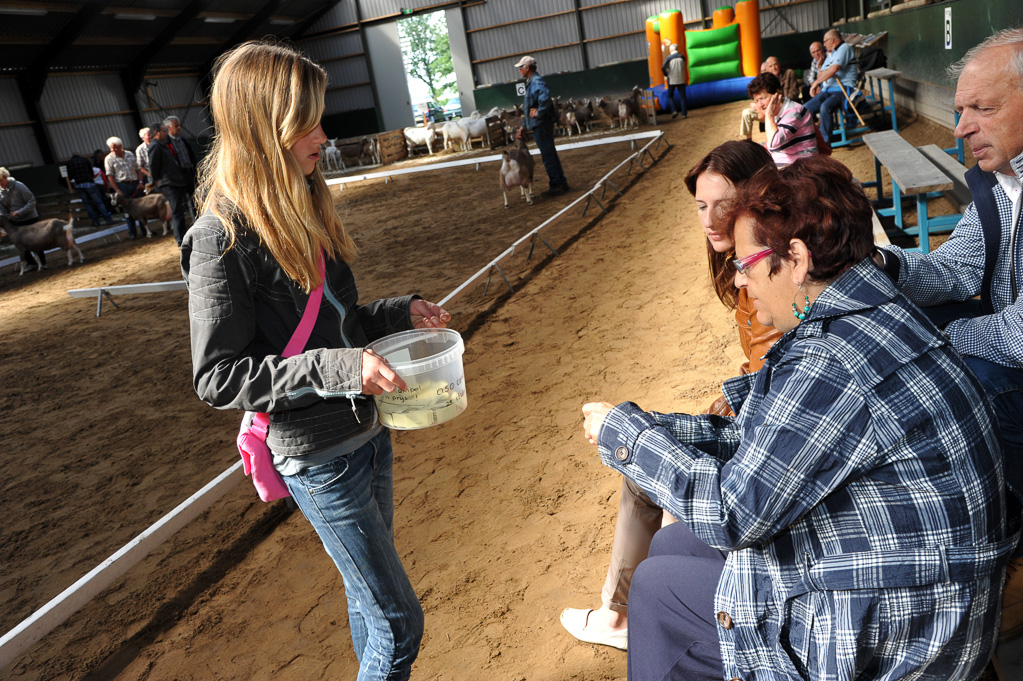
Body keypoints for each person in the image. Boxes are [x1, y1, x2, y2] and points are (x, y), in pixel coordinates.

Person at [580, 155, 1014, 681]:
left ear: (797, 259)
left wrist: (626, 438)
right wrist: (658, 427)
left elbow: (734, 512)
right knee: (672, 544)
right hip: (932, 586)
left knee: (657, 588)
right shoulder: (874, 310)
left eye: (746, 264)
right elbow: (765, 438)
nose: (740, 281)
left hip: (907, 634)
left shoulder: (831, 359)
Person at [182, 40, 451, 681]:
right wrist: (341, 370)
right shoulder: (220, 238)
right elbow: (219, 378)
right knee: (399, 623)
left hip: (368, 433)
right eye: (307, 121)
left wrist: (396, 313)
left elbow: (339, 324)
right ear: (263, 127)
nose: (322, 135)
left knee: (369, 604)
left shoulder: (305, 201)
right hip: (319, 457)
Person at [560, 141, 781, 651]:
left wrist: (741, 398)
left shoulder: (767, 269)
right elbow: (765, 364)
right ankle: (621, 608)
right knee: (648, 444)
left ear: (755, 198)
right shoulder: (742, 266)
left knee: (647, 459)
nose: (709, 219)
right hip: (756, 412)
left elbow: (782, 369)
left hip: (764, 440)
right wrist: (737, 390)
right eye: (701, 206)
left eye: (722, 204)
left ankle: (618, 615)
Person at [874, 27, 1023, 639]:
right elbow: (957, 267)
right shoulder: (999, 178)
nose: (959, 127)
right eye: (960, 109)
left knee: (945, 367)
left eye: (981, 109)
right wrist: (881, 266)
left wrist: (933, 343)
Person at [515, 55, 569, 197]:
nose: (519, 70)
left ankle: (556, 185)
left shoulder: (536, 82)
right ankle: (561, 182)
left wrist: (539, 111)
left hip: (542, 124)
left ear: (527, 68)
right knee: (550, 153)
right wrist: (524, 126)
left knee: (547, 155)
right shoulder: (532, 82)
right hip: (541, 123)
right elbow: (530, 108)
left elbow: (544, 98)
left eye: (521, 67)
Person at [746, 72, 818, 166]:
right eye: (756, 101)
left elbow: (774, 143)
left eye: (763, 98)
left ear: (777, 94)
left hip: (802, 167)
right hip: (787, 164)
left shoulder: (793, 111)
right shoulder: (778, 112)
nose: (760, 104)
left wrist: (768, 115)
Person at [803, 29, 858, 145]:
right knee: (805, 108)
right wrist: (826, 73)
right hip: (828, 89)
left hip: (843, 89)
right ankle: (816, 135)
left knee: (824, 107)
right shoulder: (831, 53)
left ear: (832, 40)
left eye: (825, 41)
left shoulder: (845, 48)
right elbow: (821, 73)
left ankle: (825, 142)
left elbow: (833, 70)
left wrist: (818, 82)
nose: (824, 44)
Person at [148, 121, 191, 245]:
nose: (166, 133)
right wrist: (154, 180)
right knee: (177, 212)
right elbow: (153, 166)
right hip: (169, 183)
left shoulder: (161, 145)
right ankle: (180, 240)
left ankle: (182, 237)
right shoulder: (155, 146)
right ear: (157, 133)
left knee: (180, 211)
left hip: (175, 182)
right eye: (163, 131)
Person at [0, 167, 45, 271]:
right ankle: (32, 264)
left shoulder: (19, 186)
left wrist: (19, 212)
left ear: (6, 177)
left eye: (0, 181)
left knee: (36, 241)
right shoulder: (0, 191)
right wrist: (5, 215)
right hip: (15, 221)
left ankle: (43, 263)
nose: (0, 184)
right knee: (20, 244)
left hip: (29, 218)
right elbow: (1, 208)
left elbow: (32, 201)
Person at [104, 136, 145, 239]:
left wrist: (140, 182)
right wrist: (117, 189)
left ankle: (145, 230)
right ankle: (132, 233)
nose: (112, 150)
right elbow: (110, 176)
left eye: (114, 147)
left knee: (140, 208)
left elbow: (138, 169)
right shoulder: (109, 159)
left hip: (135, 183)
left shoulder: (130, 154)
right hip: (122, 185)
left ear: (120, 146)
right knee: (127, 210)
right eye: (110, 148)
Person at [65, 151, 115, 227]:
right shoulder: (85, 160)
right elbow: (91, 171)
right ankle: (108, 219)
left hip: (79, 185)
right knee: (99, 202)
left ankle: (95, 222)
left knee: (87, 204)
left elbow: (69, 175)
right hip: (89, 183)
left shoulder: (69, 163)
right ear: (79, 155)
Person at [661, 43, 688, 120]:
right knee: (683, 97)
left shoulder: (669, 58)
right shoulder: (682, 57)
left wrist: (666, 74)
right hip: (681, 79)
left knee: (670, 95)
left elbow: (663, 67)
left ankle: (674, 110)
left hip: (672, 79)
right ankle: (684, 114)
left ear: (671, 50)